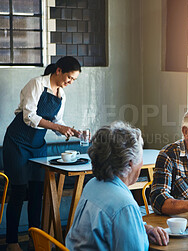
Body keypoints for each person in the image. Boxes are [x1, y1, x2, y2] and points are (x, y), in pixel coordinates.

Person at [2, 56, 81, 251]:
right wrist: (57, 126)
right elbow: (29, 116)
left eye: (74, 80)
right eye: (69, 77)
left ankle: (34, 238)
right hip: (17, 142)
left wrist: (69, 130)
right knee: (19, 190)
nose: (70, 82)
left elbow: (56, 123)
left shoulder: (62, 95)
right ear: (59, 71)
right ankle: (12, 241)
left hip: (38, 145)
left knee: (38, 192)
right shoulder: (36, 83)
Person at [66, 121, 169, 250]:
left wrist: (144, 229)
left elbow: (112, 224)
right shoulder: (124, 205)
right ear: (130, 163)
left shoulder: (92, 185)